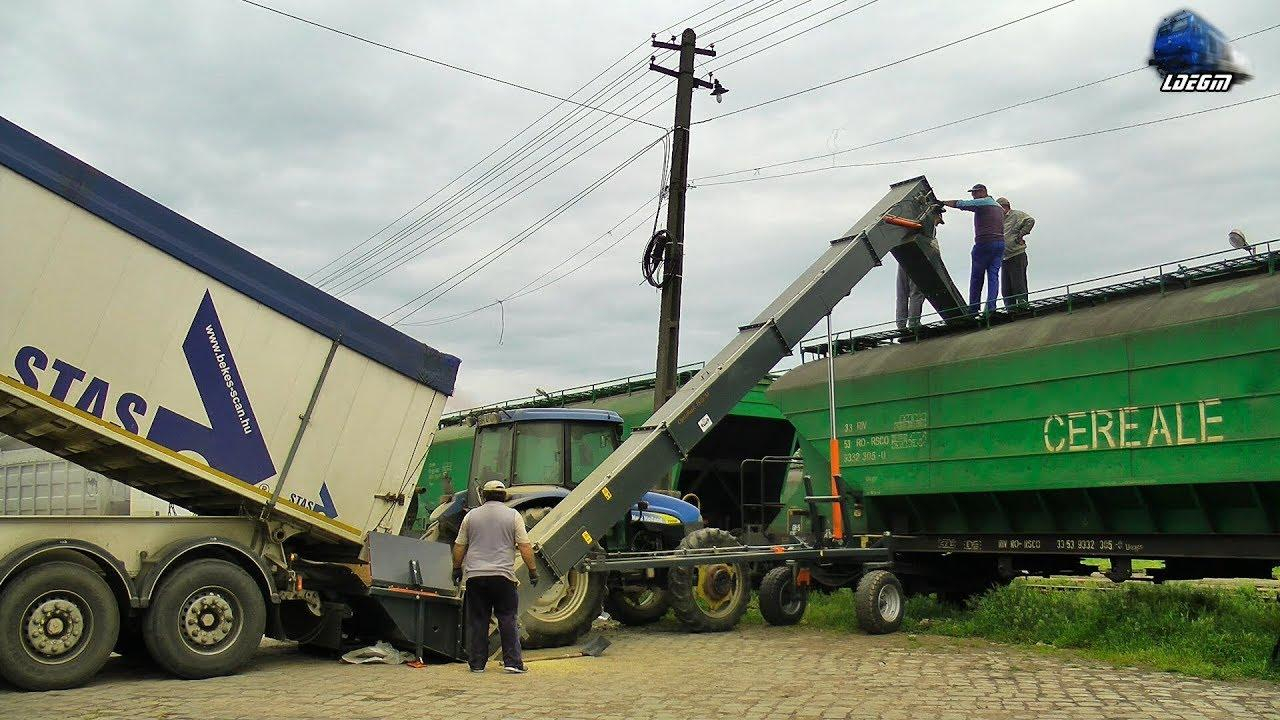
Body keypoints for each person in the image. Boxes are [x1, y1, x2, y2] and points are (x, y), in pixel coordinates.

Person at [452, 480, 539, 674]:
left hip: (475, 577)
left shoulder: (471, 516)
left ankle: (476, 664)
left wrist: (456, 569)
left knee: (478, 620)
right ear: (503, 496)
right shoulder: (513, 515)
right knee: (507, 618)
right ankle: (513, 663)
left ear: (484, 495)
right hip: (503, 577)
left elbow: (459, 546)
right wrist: (532, 570)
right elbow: (525, 546)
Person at [940, 183, 1005, 315]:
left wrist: (941, 202)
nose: (973, 196)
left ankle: (974, 309)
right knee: (993, 276)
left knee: (976, 277)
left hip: (984, 244)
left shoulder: (983, 202)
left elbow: (961, 204)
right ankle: (991, 308)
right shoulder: (998, 207)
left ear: (983, 192)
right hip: (1000, 244)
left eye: (975, 193)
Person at [996, 197, 1035, 309]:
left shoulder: (1016, 215)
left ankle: (1022, 306)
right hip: (1004, 257)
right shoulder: (998, 220)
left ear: (1005, 206)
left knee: (1018, 283)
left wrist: (1020, 235)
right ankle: (1010, 308)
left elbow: (1030, 220)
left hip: (1017, 254)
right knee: (1006, 287)